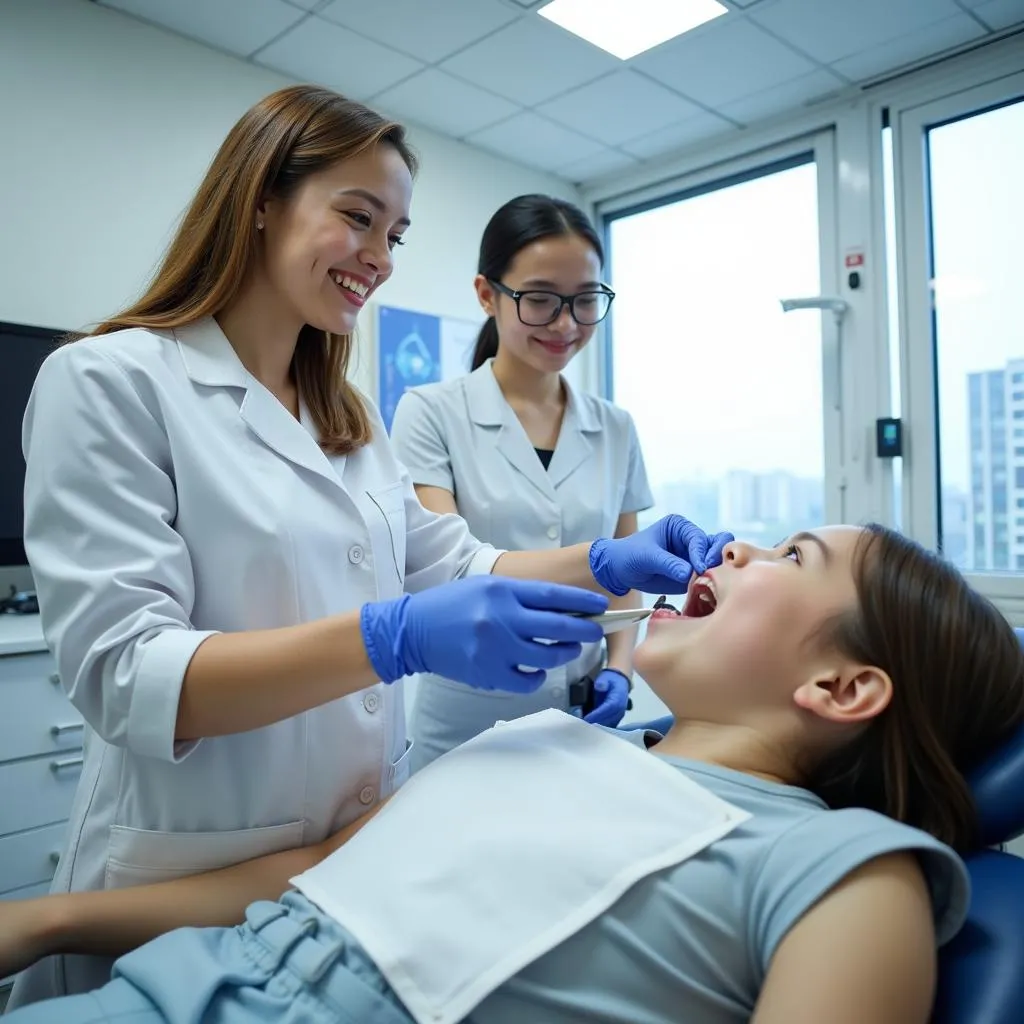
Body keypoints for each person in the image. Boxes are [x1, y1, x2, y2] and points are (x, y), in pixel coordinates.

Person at [9, 84, 731, 1007]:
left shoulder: (345, 421)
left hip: (347, 861)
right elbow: (123, 675)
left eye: (395, 236)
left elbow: (457, 562)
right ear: (261, 198)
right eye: (358, 218)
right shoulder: (111, 381)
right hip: (179, 861)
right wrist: (390, 640)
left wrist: (601, 565)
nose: (380, 259)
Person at [3, 523, 1023, 1024]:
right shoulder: (540, 737)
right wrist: (44, 921)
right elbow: (306, 875)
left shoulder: (841, 870)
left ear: (844, 688)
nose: (741, 547)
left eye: (792, 557)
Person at [390, 194, 655, 771]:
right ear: (488, 294)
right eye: (539, 300)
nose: (566, 324)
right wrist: (607, 560)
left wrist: (619, 668)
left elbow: (624, 579)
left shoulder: (616, 428)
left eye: (586, 301)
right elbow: (444, 569)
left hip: (583, 711)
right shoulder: (430, 412)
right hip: (467, 716)